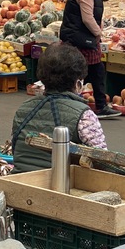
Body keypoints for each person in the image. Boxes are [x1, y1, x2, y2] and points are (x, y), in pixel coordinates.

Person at [11, 43, 107, 173]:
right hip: (59, 186)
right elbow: (103, 161)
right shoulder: (84, 115)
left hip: (17, 180)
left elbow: (15, 149)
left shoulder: (23, 109)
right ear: (78, 83)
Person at [60, 0, 121, 118]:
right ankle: (71, 104)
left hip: (82, 38)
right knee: (78, 72)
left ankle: (100, 106)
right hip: (78, 39)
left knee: (96, 71)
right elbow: (87, 18)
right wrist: (99, 33)